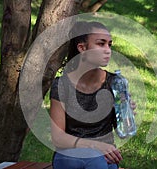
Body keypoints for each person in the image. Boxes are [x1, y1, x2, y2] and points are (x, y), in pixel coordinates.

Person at [49, 21, 136, 169]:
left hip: (104, 158)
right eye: (101, 44)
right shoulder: (63, 85)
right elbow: (58, 138)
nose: (107, 50)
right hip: (70, 155)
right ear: (82, 48)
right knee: (94, 160)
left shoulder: (114, 83)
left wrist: (125, 114)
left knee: (100, 162)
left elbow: (123, 133)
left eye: (109, 44)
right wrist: (94, 146)